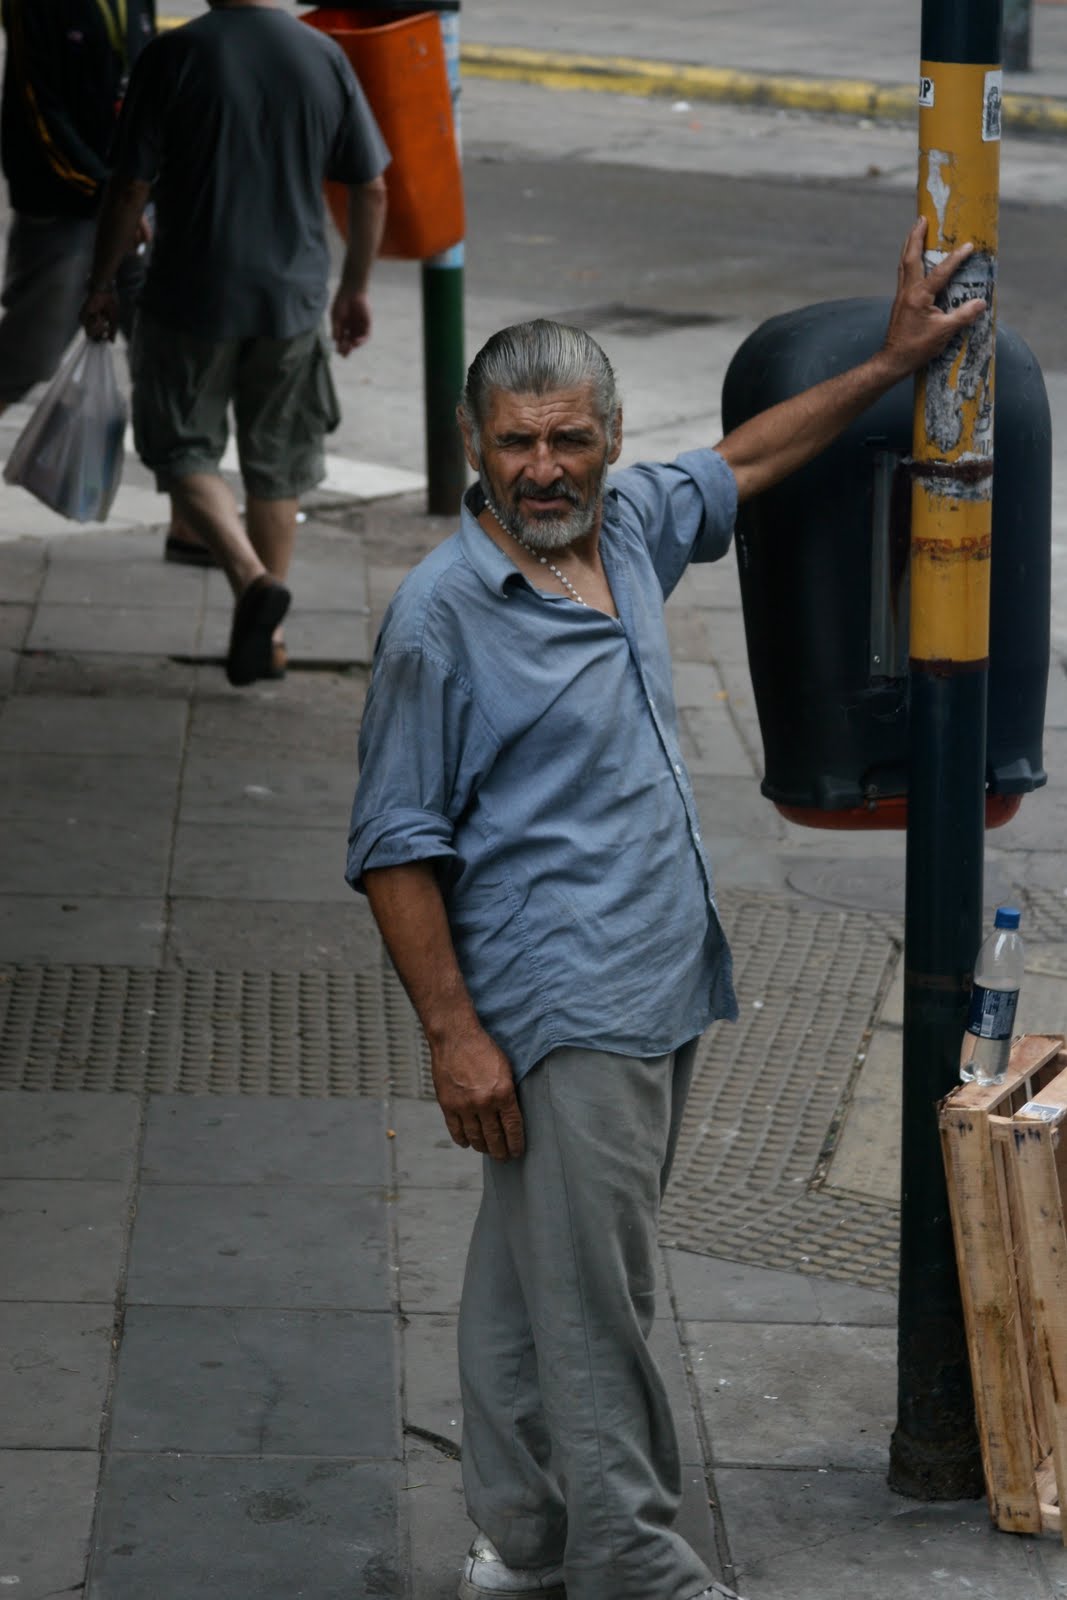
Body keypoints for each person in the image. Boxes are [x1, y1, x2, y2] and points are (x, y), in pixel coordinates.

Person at [346, 220, 986, 1600]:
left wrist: (886, 362)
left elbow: (751, 456)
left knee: (532, 1281)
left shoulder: (629, 528)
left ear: (609, 440)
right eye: (513, 443)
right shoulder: (441, 616)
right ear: (472, 446)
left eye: (567, 441)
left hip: (652, 979)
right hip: (555, 1000)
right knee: (599, 1302)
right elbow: (394, 847)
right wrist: (455, 1036)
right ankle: (632, 1561)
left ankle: (522, 1541)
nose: (540, 469)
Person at [80, 0, 389, 686]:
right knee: (276, 463)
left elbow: (130, 184)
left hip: (190, 292)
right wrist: (353, 288)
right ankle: (266, 638)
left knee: (178, 445)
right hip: (292, 299)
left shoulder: (176, 53)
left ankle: (251, 581)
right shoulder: (321, 54)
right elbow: (370, 187)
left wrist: (102, 279)